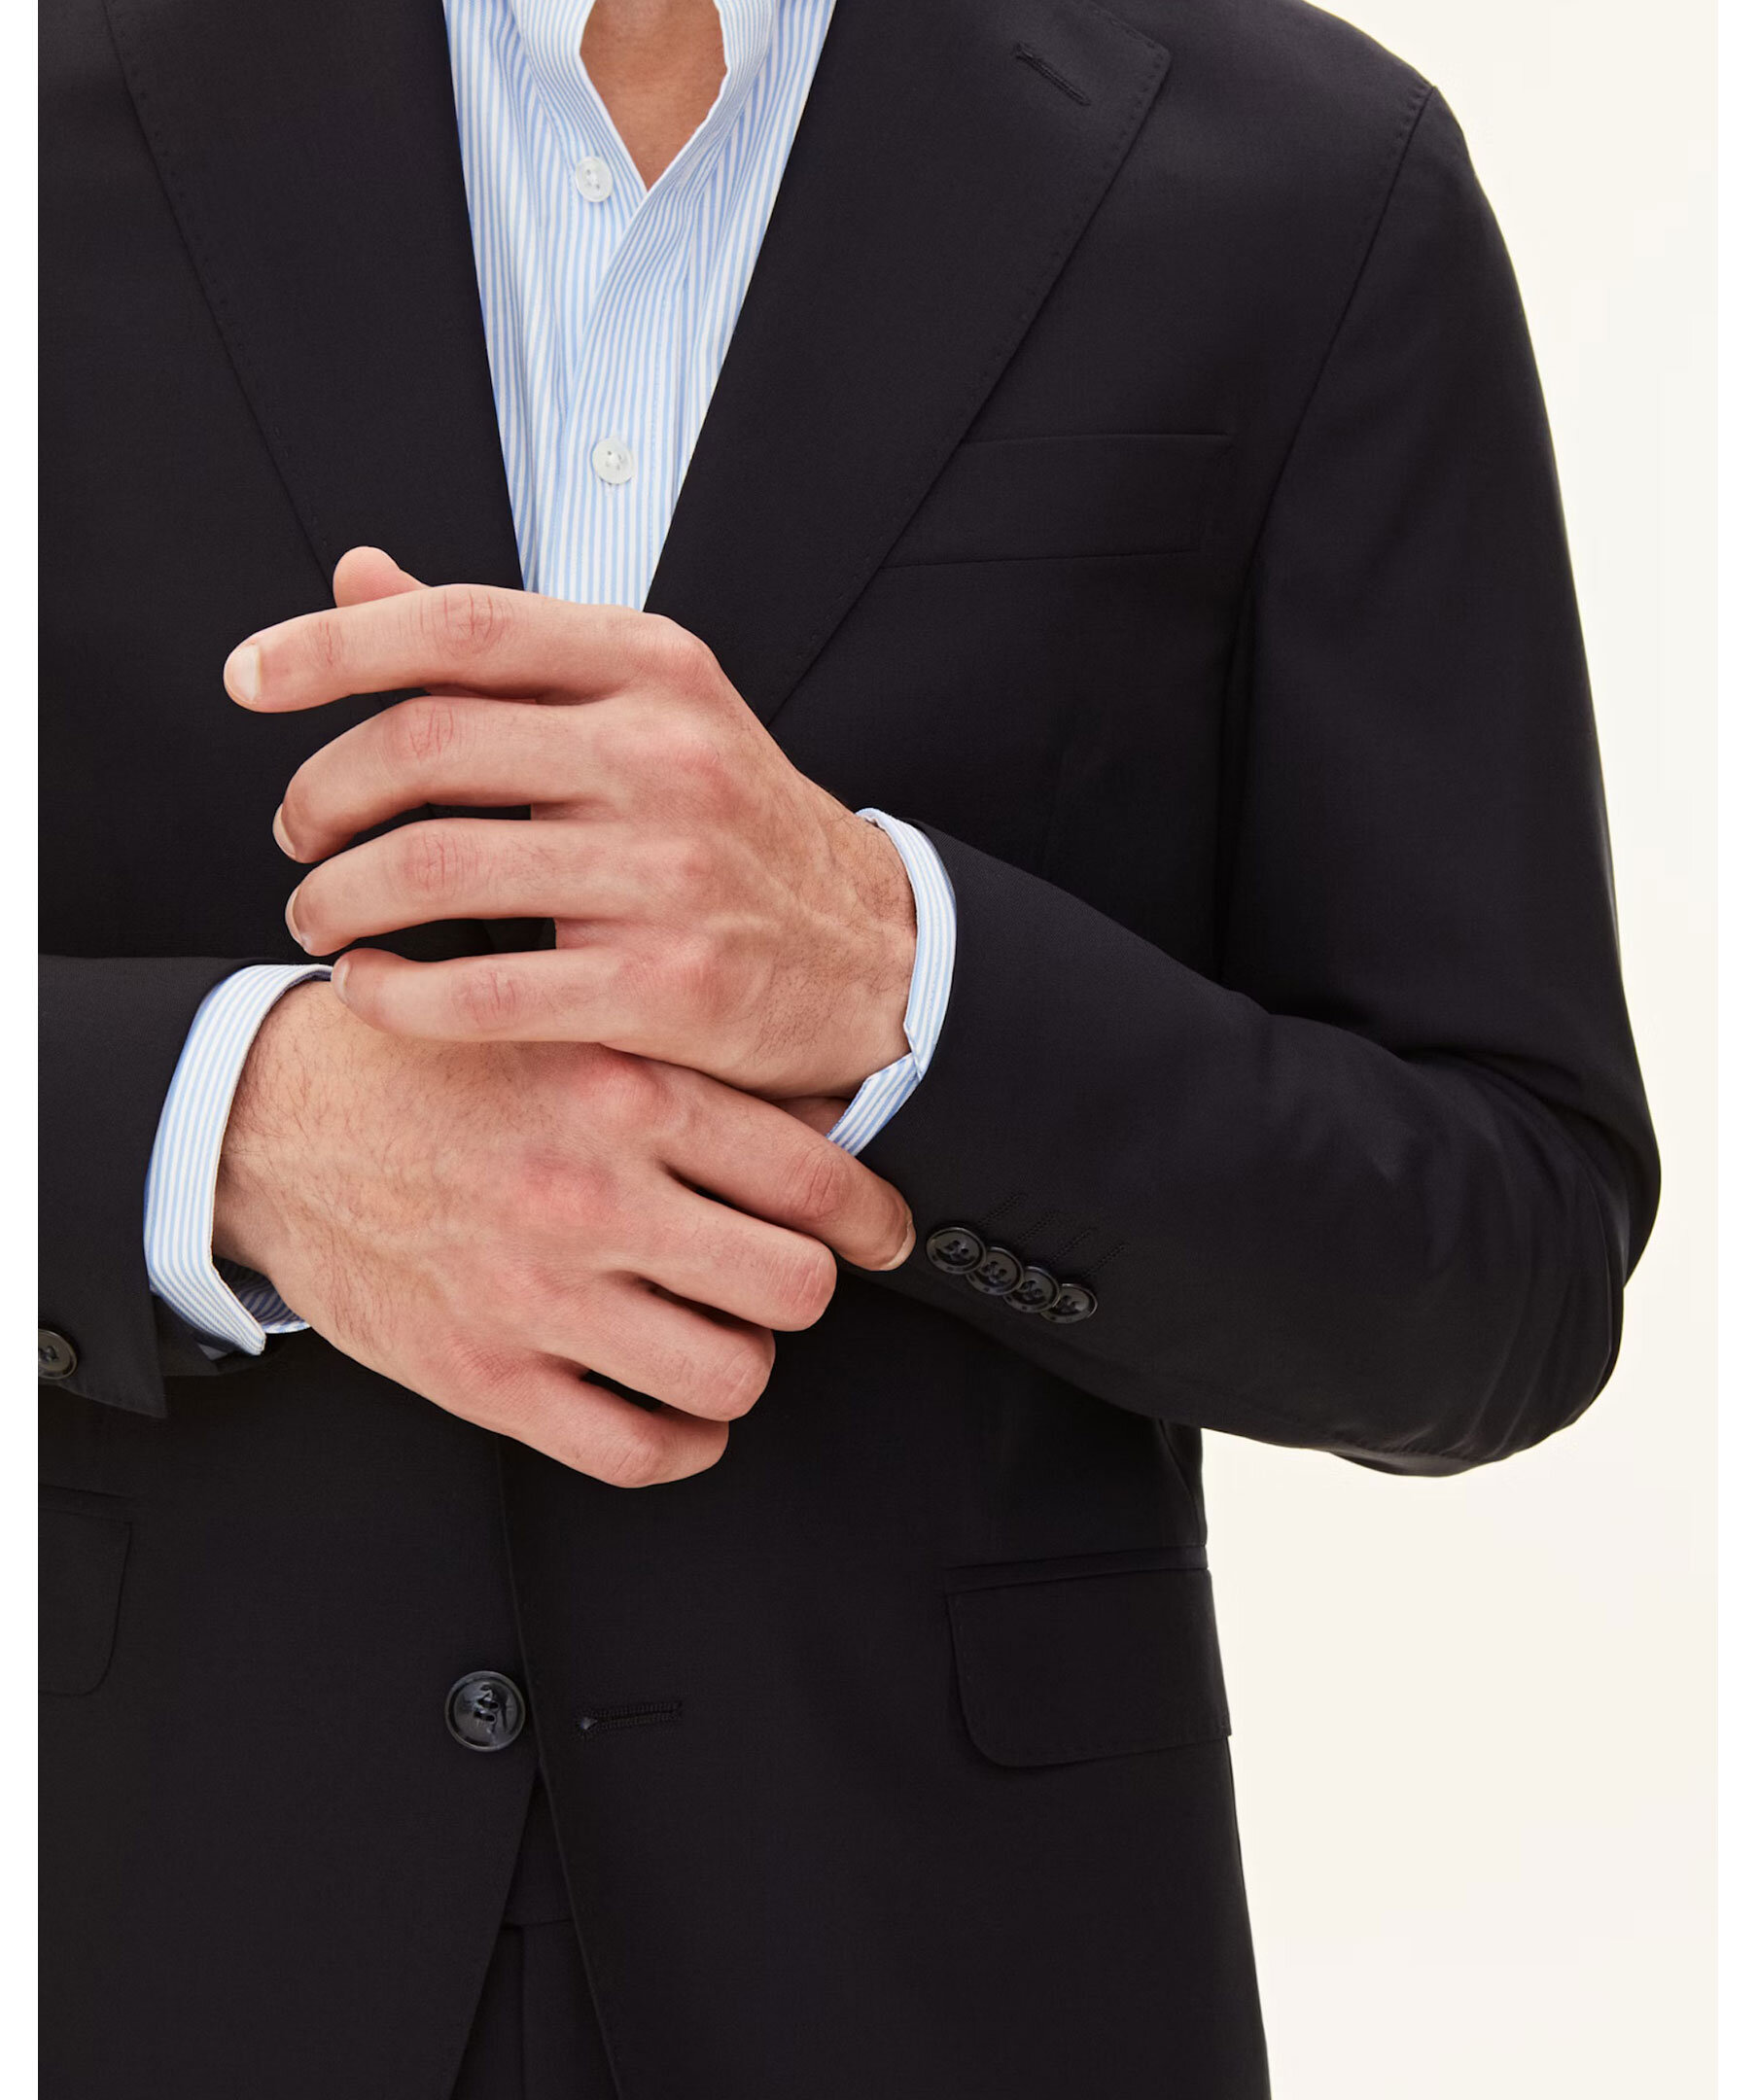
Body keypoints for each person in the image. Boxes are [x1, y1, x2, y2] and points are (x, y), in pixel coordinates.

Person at [38, 0, 1660, 2090]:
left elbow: (1509, 1260)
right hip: (127, 1941)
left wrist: (910, 980)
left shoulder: (1314, 180)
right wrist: (228, 1133)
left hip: (954, 1983)